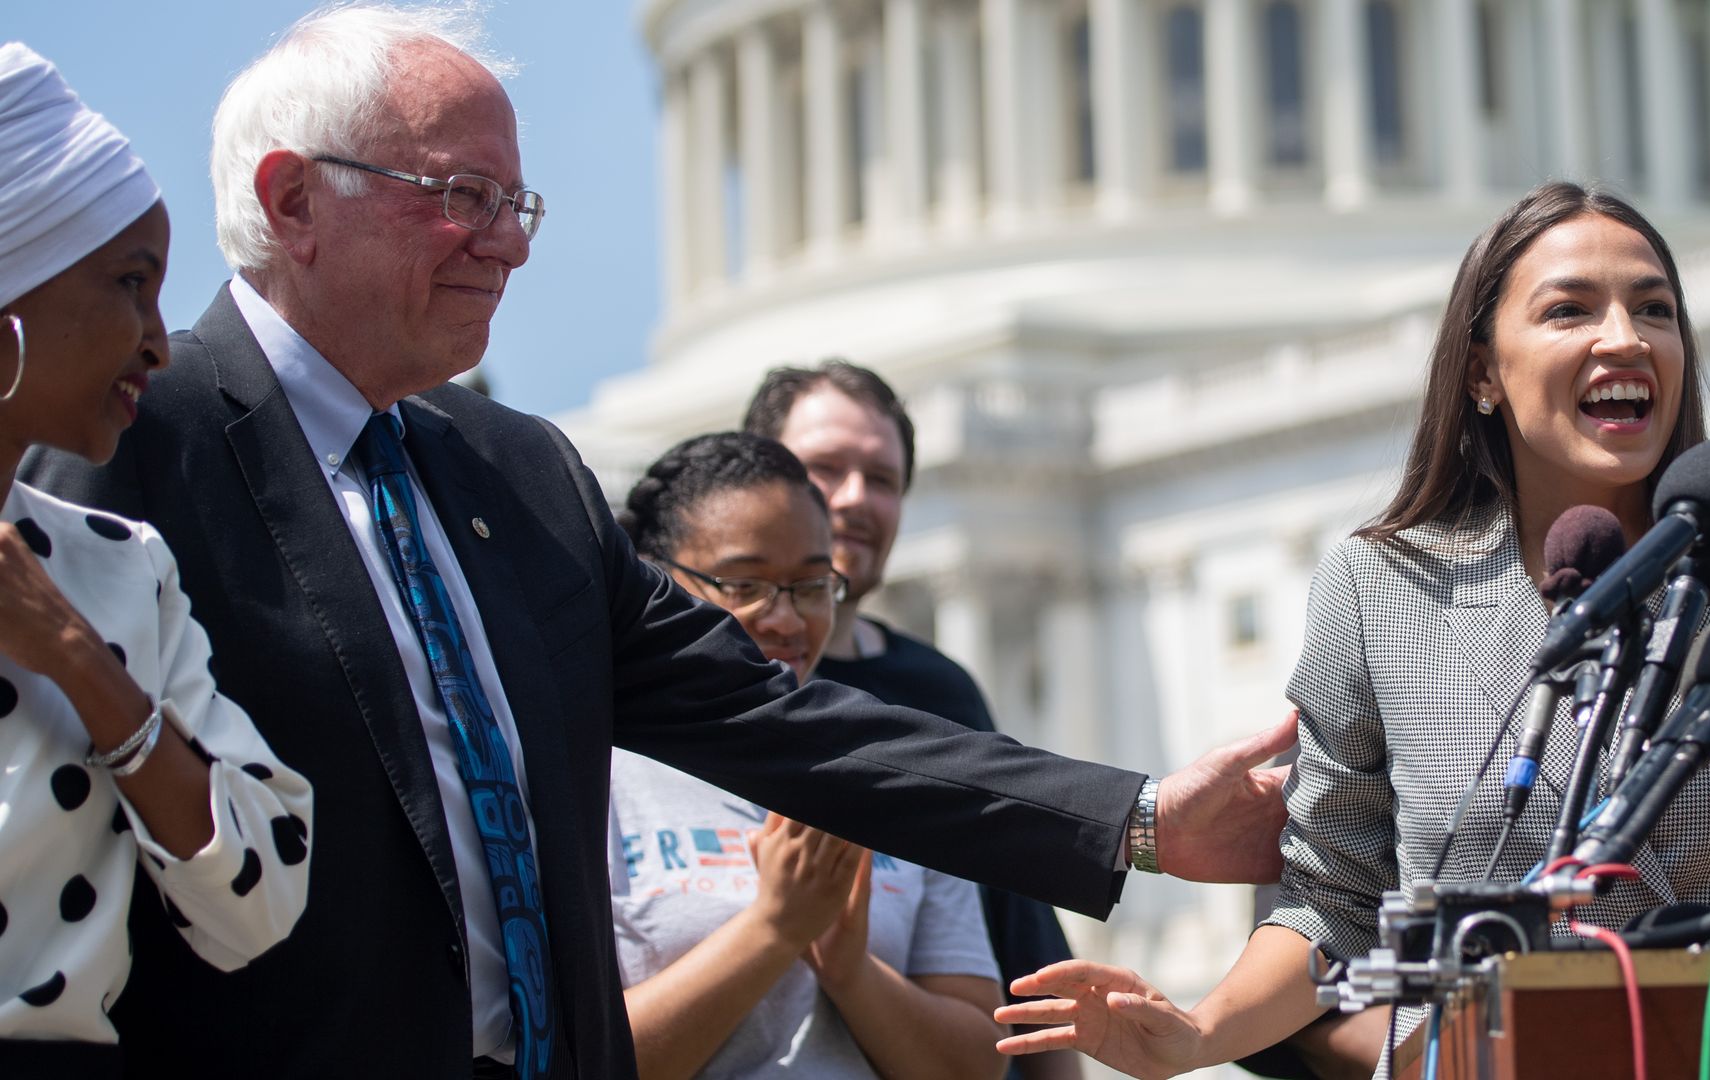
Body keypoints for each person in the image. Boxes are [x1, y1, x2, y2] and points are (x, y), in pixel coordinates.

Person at [21, 8, 1294, 1078]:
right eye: (461, 198)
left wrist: (1138, 819)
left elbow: (783, 720)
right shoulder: (134, 438)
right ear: (294, 200)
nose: (509, 242)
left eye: (517, 202)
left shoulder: (515, 473)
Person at [994, 181, 1710, 1079]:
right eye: (1570, 311)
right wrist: (1196, 1034)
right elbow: (1334, 902)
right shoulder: (1377, 589)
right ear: (1481, 370)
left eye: (1655, 309)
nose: (1625, 338)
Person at [0, 44, 312, 1077]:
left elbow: (260, 898)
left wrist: (82, 665)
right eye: (130, 285)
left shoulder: (119, 569)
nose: (159, 342)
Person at [608, 431, 1005, 1079]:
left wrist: (851, 971)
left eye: (812, 585)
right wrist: (774, 929)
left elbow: (976, 1066)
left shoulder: (895, 774)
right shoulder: (594, 773)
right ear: (654, 581)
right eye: (745, 584)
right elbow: (574, 1058)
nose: (786, 620)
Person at [744, 360, 1085, 1080]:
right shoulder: (717, 688)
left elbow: (1023, 929)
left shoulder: (939, 690)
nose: (855, 499)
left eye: (883, 479)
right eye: (826, 468)